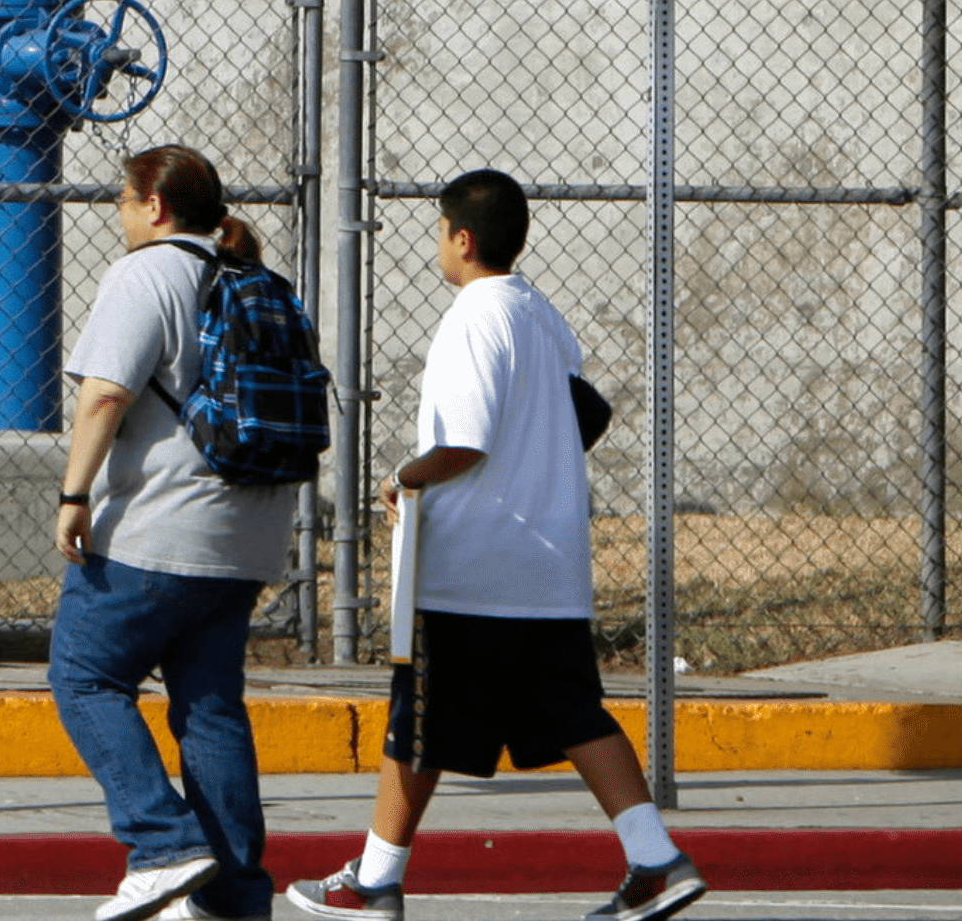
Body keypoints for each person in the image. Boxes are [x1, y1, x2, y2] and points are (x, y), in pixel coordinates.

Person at [286, 169, 707, 921]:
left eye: (440, 231)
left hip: (472, 571)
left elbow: (464, 444)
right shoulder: (543, 316)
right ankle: (655, 859)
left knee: (415, 723)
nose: (436, 247)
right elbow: (581, 418)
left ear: (464, 239)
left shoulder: (473, 318)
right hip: (548, 569)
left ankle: (376, 880)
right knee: (580, 715)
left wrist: (399, 480)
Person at [52, 145, 299, 921]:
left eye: (122, 203)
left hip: (161, 529)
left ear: (155, 207)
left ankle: (160, 844)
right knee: (209, 708)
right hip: (249, 536)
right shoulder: (255, 278)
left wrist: (74, 493)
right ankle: (234, 898)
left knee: (85, 676)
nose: (120, 217)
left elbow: (105, 396)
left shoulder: (145, 274)